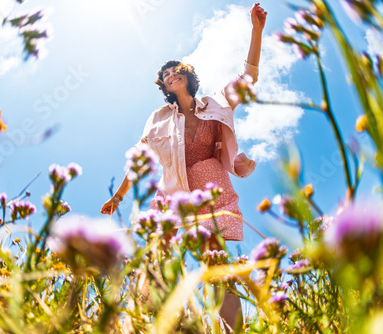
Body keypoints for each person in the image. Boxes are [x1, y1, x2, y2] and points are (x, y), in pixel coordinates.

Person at [101, 2, 267, 332]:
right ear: (163, 86)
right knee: (158, 259)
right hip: (170, 190)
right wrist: (118, 197)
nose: (170, 74)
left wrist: (256, 30)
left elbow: (248, 76)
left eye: (176, 70)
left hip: (209, 182)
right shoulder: (158, 118)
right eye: (165, 75)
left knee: (215, 260)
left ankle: (232, 329)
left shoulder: (216, 102)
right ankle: (169, 324)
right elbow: (140, 157)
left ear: (188, 76)